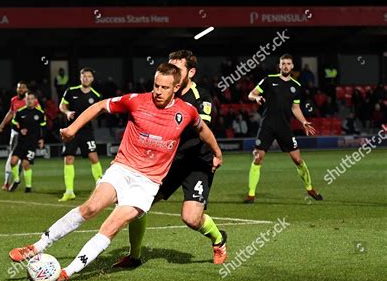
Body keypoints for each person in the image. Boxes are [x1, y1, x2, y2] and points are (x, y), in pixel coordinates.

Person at [9, 63, 223, 281]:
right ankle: (36, 247)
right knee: (90, 207)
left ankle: (66, 273)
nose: (158, 91)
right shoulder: (136, 100)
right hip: (122, 168)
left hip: (147, 184)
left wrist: (217, 152)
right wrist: (73, 129)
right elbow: (100, 106)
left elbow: (203, 130)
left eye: (164, 87)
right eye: (156, 85)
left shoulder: (186, 111)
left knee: (111, 226)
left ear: (176, 87)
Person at [113, 50, 227, 268]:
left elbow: (199, 130)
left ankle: (218, 239)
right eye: (169, 67)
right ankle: (134, 256)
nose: (172, 73)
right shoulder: (163, 94)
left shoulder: (201, 97)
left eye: (179, 69)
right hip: (168, 163)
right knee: (136, 205)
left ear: (191, 72)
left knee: (191, 219)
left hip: (196, 163)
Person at [244, 54, 323, 204]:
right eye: (283, 64)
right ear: (279, 66)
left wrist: (303, 122)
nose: (286, 66)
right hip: (267, 124)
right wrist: (257, 98)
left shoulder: (296, 86)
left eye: (288, 64)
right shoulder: (269, 79)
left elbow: (295, 108)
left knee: (298, 160)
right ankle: (251, 194)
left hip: (284, 127)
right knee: (258, 157)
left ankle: (310, 188)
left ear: (292, 66)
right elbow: (251, 94)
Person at [58, 68, 103, 201]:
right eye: (84, 76)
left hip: (87, 131)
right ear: (80, 77)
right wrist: (67, 113)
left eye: (89, 76)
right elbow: (62, 106)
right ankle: (69, 191)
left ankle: (100, 189)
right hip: (72, 130)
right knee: (69, 158)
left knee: (93, 157)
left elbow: (100, 112)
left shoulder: (96, 95)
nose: (86, 79)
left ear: (92, 79)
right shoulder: (71, 91)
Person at [0, 81, 40, 191]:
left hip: (29, 135)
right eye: (19, 88)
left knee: (22, 159)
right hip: (16, 133)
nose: (21, 89)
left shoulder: (32, 101)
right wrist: (2, 124)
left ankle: (15, 180)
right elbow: (11, 113)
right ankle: (8, 181)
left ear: (27, 89)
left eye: (23, 88)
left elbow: (39, 115)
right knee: (13, 155)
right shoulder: (14, 100)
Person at [8, 91, 46, 193]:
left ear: (35, 100)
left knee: (25, 164)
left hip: (32, 143)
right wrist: (20, 130)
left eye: (32, 99)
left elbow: (43, 128)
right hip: (21, 142)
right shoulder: (20, 112)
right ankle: (16, 180)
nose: (30, 101)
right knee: (13, 162)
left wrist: (42, 139)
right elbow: (13, 124)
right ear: (25, 100)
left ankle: (28, 187)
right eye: (28, 99)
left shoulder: (40, 113)